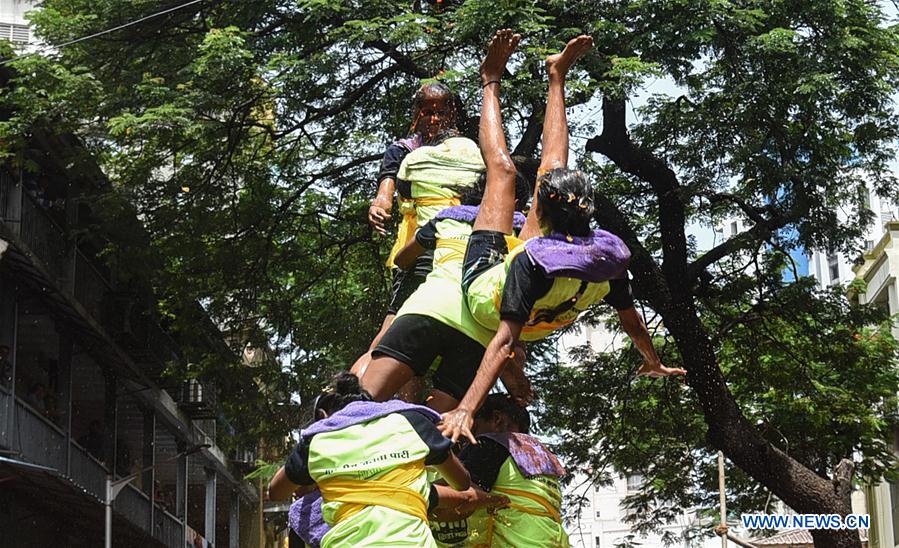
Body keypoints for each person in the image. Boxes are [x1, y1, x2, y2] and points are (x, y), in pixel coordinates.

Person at [439, 31, 686, 443]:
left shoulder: (553, 262)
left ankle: (490, 79)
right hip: (535, 302)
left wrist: (465, 409)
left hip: (484, 289)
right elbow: (631, 320)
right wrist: (652, 359)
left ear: (542, 213)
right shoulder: (604, 255)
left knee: (500, 173)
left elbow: (502, 343)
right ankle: (555, 75)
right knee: (548, 167)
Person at [358, 168, 534, 412]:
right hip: (477, 336)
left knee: (362, 405)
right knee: (435, 429)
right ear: (516, 203)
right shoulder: (521, 237)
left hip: (427, 310)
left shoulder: (448, 218)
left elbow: (402, 259)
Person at [353, 82, 486, 379]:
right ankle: (352, 394)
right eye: (428, 111)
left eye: (441, 111)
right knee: (393, 331)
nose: (434, 119)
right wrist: (380, 203)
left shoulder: (465, 150)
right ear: (417, 113)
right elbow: (385, 189)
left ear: (452, 112)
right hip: (419, 249)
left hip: (460, 251)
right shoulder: (404, 150)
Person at [268, 373, 472, 547]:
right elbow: (462, 483)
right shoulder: (412, 422)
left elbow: (276, 492)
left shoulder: (315, 441)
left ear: (323, 416)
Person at [448, 394, 568, 547]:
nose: (467, 438)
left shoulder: (488, 444)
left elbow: (463, 494)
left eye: (475, 427)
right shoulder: (542, 454)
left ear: (498, 419)